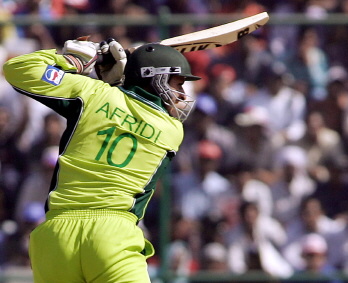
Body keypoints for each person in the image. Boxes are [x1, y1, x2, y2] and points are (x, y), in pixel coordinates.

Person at [3, 36, 201, 282]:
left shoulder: (92, 93)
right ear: (156, 77)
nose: (182, 94)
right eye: (177, 83)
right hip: (112, 236)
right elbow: (125, 112)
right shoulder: (171, 130)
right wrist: (116, 81)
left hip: (54, 237)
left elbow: (18, 69)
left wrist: (79, 59)